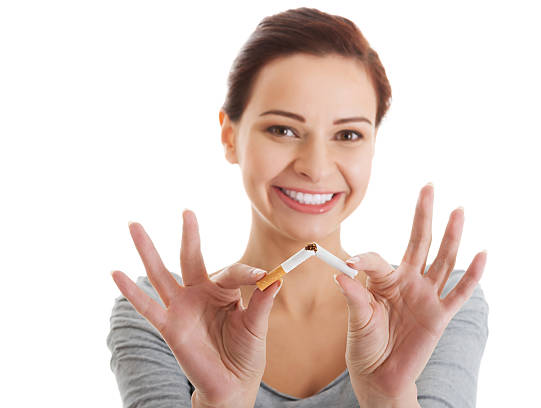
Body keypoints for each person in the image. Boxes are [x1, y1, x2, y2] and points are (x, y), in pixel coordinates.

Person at [107, 7, 489, 408]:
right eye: (283, 129)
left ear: (374, 143)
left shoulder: (436, 304)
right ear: (229, 136)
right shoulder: (164, 314)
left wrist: (389, 397)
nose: (316, 167)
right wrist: (222, 400)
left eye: (348, 134)